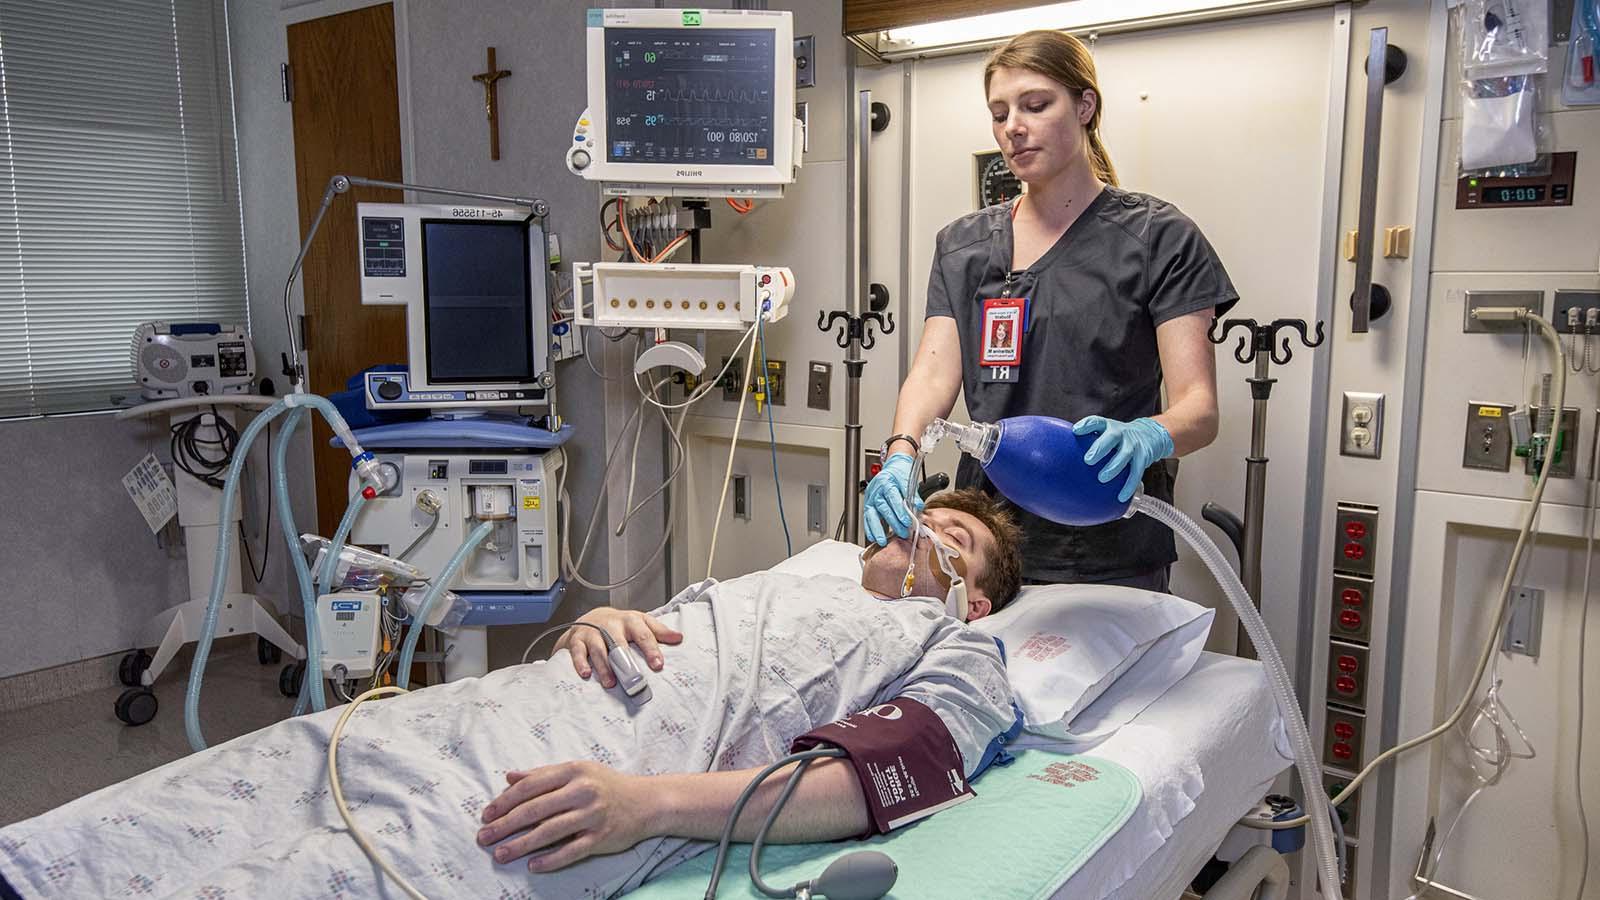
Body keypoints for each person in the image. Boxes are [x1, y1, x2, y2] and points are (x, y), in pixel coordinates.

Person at [0, 492, 1023, 900]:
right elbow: (664, 637)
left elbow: (869, 782)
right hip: (494, 706)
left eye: (955, 535)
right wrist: (597, 619)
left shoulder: (958, 648)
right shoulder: (791, 575)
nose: (921, 523)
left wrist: (648, 806)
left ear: (975, 594)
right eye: (920, 506)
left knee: (329, 871)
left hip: (579, 785)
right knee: (237, 781)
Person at [864, 30, 1239, 593]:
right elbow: (935, 371)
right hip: (987, 546)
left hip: (1109, 543)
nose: (1013, 126)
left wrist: (1149, 435)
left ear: (1085, 106)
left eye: (1035, 105)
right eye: (998, 113)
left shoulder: (1158, 239)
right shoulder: (963, 246)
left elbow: (1199, 410)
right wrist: (900, 453)